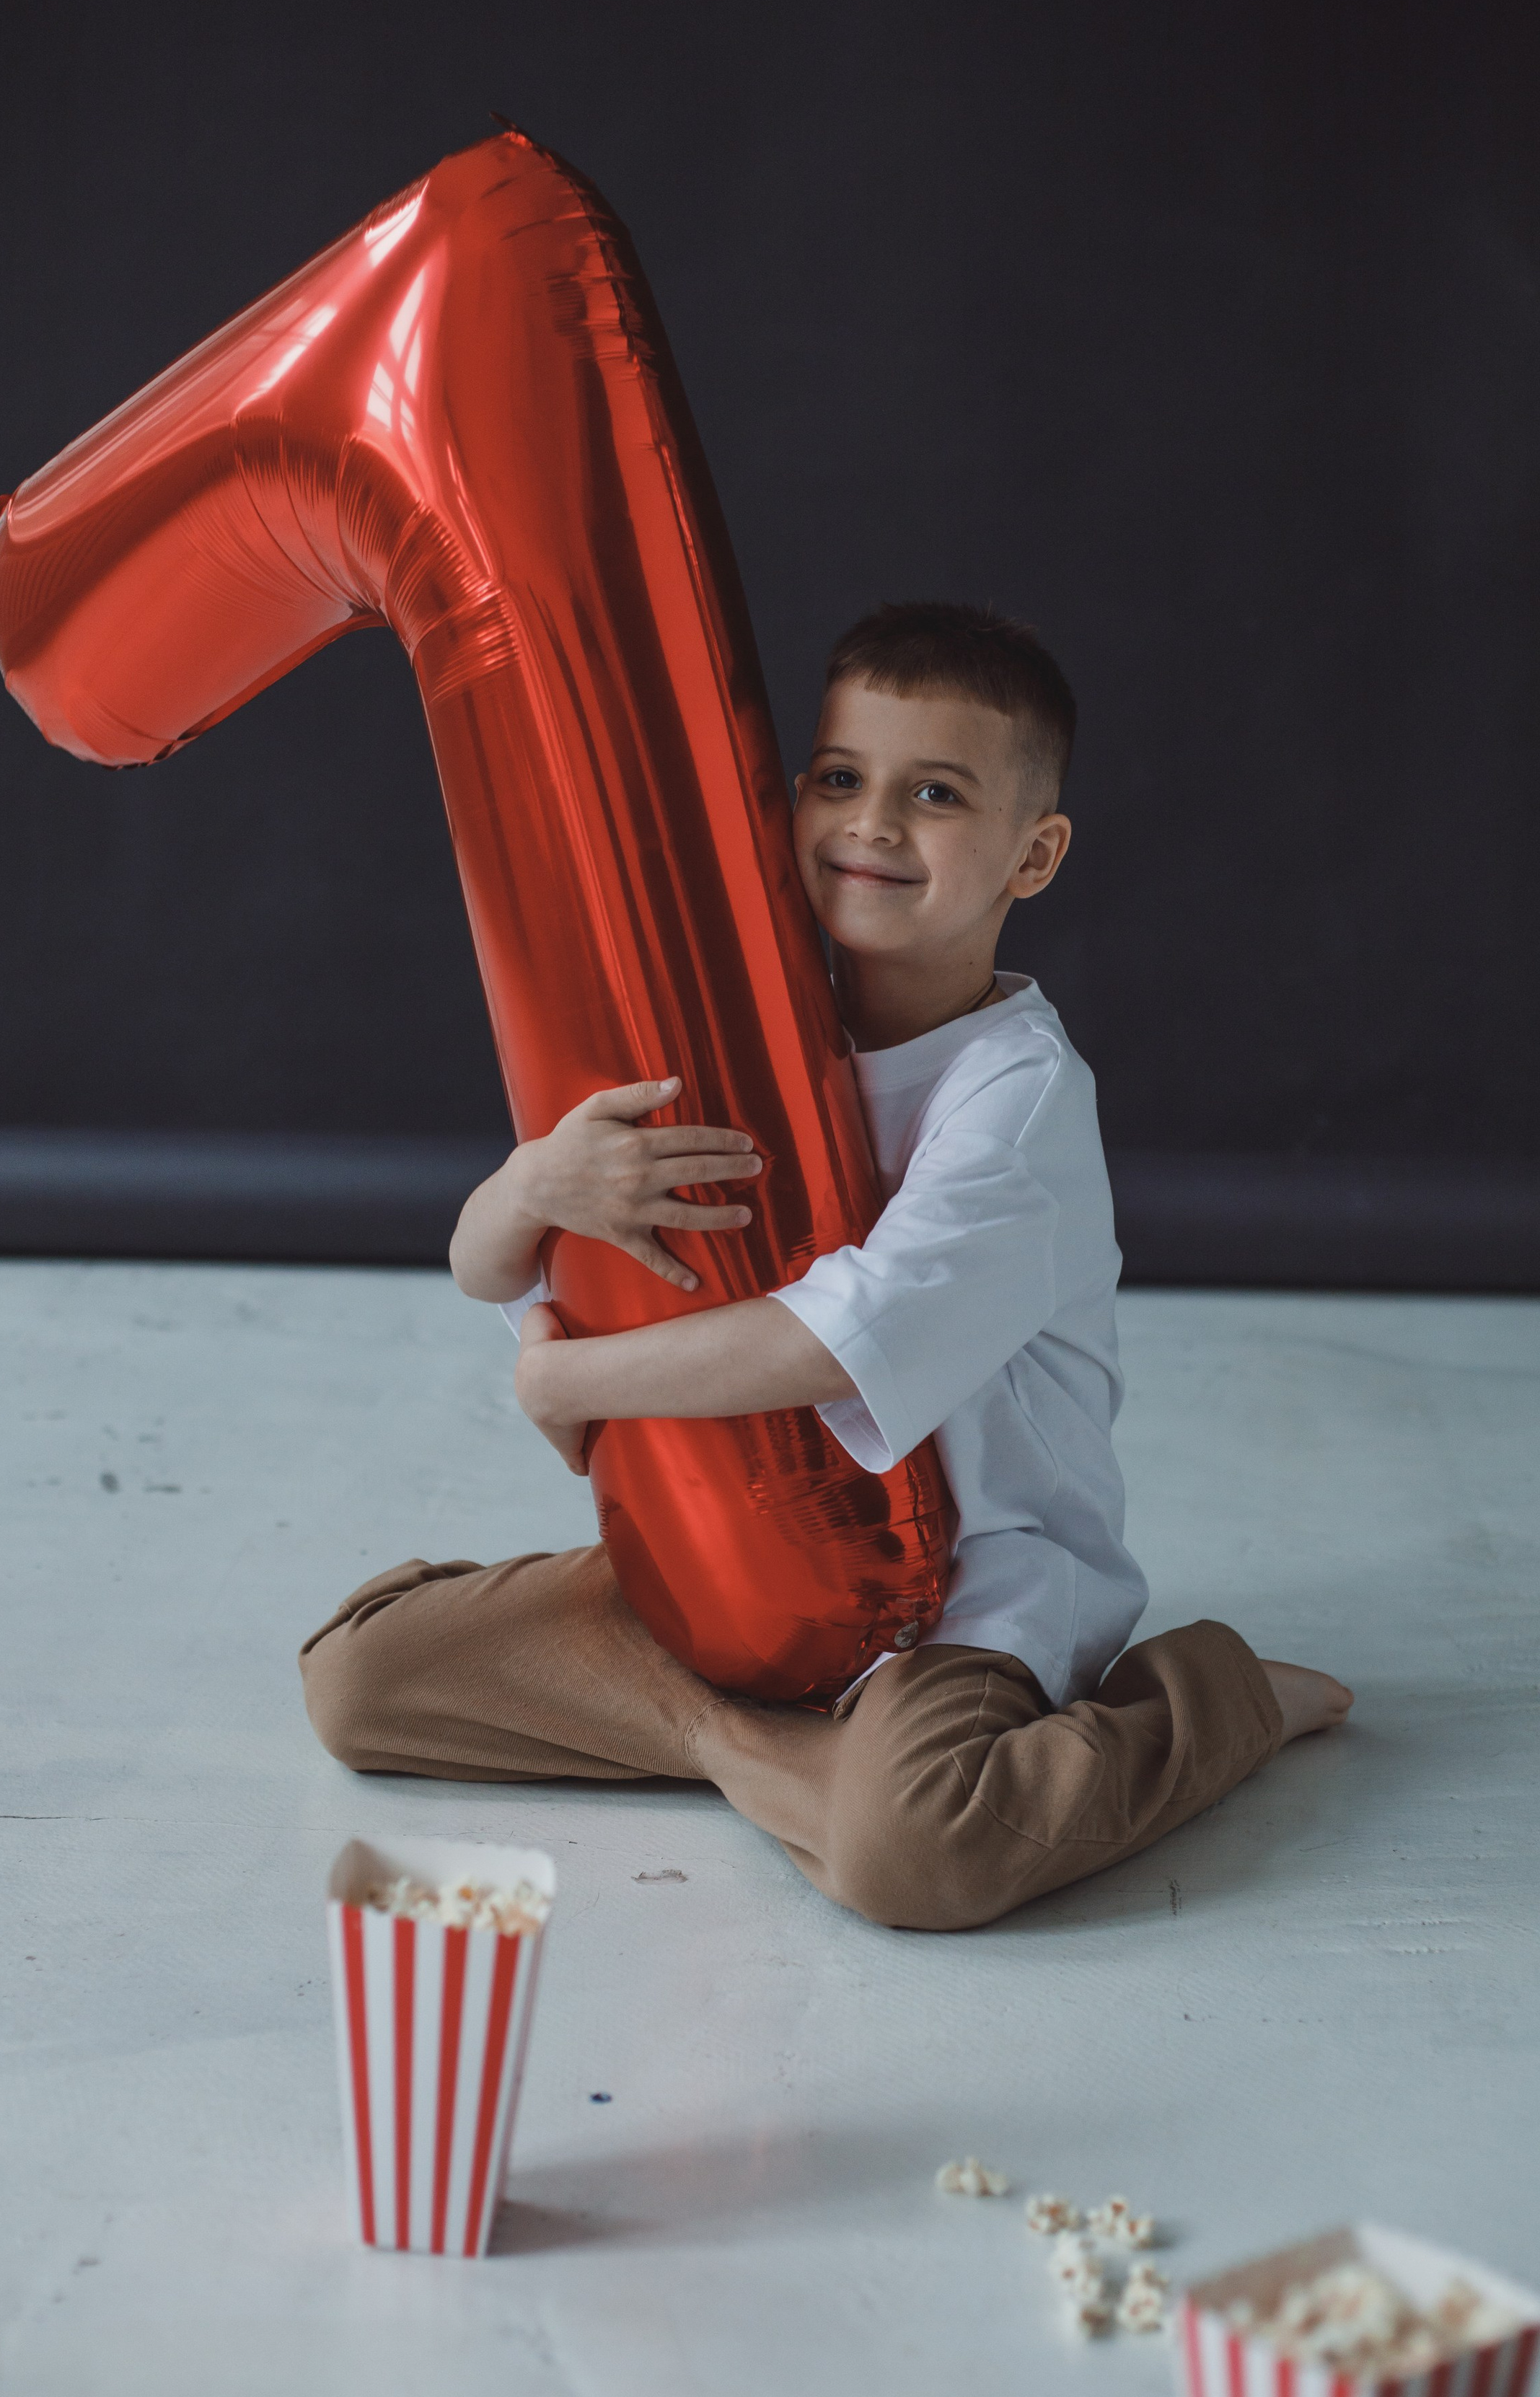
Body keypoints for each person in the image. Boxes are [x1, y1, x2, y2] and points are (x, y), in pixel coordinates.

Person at [301, 603, 1351, 1929]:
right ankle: (779, 1758)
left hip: (957, 1605)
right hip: (744, 1559)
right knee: (361, 1683)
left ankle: (1220, 1700)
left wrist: (571, 1386)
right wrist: (536, 1186)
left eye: (937, 794)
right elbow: (485, 1267)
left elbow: (839, 1337)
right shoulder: (751, 1023)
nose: (874, 824)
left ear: (1034, 855)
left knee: (921, 1853)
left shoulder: (1016, 1095)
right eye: (841, 779)